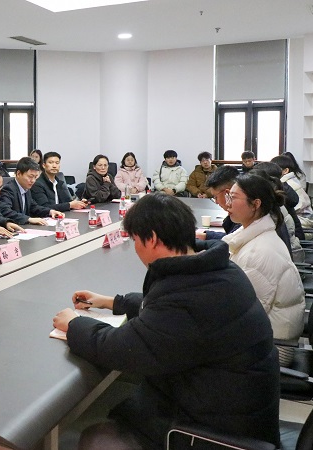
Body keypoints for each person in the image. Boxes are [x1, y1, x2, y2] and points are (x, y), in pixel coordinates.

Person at [52, 193, 279, 449]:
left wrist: (74, 325)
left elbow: (122, 348)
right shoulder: (217, 270)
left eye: (136, 240)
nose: (135, 249)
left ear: (152, 239)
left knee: (95, 437)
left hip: (210, 432)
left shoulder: (187, 300)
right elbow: (168, 314)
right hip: (230, 408)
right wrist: (112, 302)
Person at [222, 173, 305, 365]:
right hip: (266, 335)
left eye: (233, 198)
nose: (227, 204)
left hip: (274, 348)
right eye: (227, 197)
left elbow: (245, 315)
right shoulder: (256, 234)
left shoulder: (258, 253)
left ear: (255, 204)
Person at [0, 157, 63, 225]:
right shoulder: (9, 189)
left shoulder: (26, 188)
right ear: (18, 173)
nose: (33, 181)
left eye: (35, 177)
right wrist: (28, 219)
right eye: (30, 176)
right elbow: (5, 211)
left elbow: (33, 207)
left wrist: (50, 211)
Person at [271, 154, 313, 228]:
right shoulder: (288, 180)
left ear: (286, 171)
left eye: (276, 169)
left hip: (304, 222)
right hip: (300, 219)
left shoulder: (287, 184)